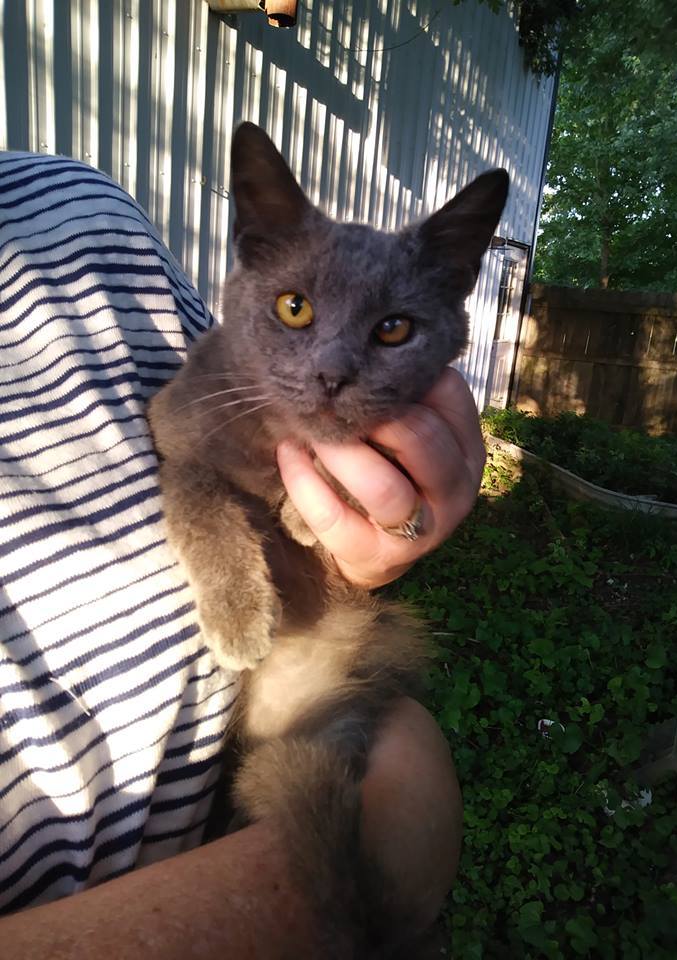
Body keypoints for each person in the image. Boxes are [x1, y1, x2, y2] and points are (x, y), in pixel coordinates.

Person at [0, 151, 485, 956]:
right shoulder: (217, 383)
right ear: (252, 257)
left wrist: (380, 531)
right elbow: (180, 440)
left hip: (306, 715)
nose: (330, 367)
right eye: (296, 310)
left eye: (390, 329)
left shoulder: (76, 205)